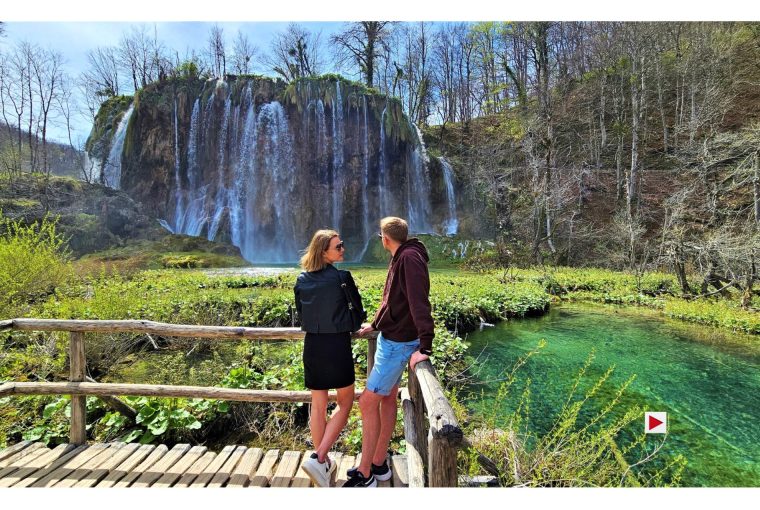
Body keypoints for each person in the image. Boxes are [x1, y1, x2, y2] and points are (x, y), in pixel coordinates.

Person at [344, 217, 434, 488]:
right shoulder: (404, 255)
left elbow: (419, 301)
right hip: (390, 338)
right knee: (386, 399)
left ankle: (365, 473)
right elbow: (392, 299)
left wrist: (425, 345)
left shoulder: (409, 259)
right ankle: (379, 463)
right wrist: (376, 324)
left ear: (384, 239)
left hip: (398, 344)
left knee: (367, 402)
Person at [294, 229, 366, 488]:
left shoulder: (302, 279)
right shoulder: (342, 278)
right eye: (338, 246)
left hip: (312, 344)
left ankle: (321, 464)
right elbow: (357, 311)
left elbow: (301, 311)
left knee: (319, 402)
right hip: (337, 344)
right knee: (345, 404)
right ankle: (319, 456)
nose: (343, 249)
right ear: (323, 251)